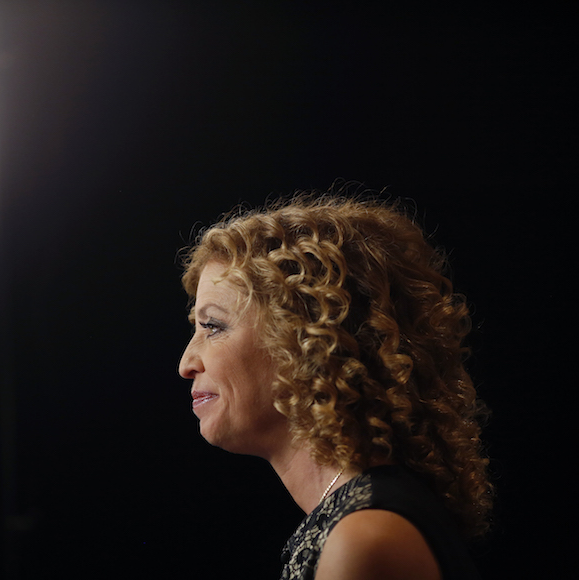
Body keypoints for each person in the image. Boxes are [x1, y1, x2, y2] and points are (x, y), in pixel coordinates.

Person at [178, 194, 491, 580]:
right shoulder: (356, 520)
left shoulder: (366, 539)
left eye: (213, 326)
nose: (186, 364)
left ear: (305, 338)